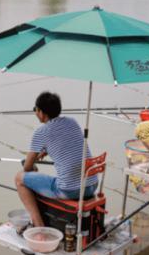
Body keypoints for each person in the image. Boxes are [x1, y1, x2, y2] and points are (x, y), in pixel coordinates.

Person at [15, 92, 98, 228]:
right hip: (92, 185)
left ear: (41, 113)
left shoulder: (41, 132)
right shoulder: (72, 121)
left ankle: (38, 225)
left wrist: (33, 168)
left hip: (69, 191)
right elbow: (67, 142)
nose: (36, 113)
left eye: (36, 109)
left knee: (19, 178)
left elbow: (27, 168)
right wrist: (47, 149)